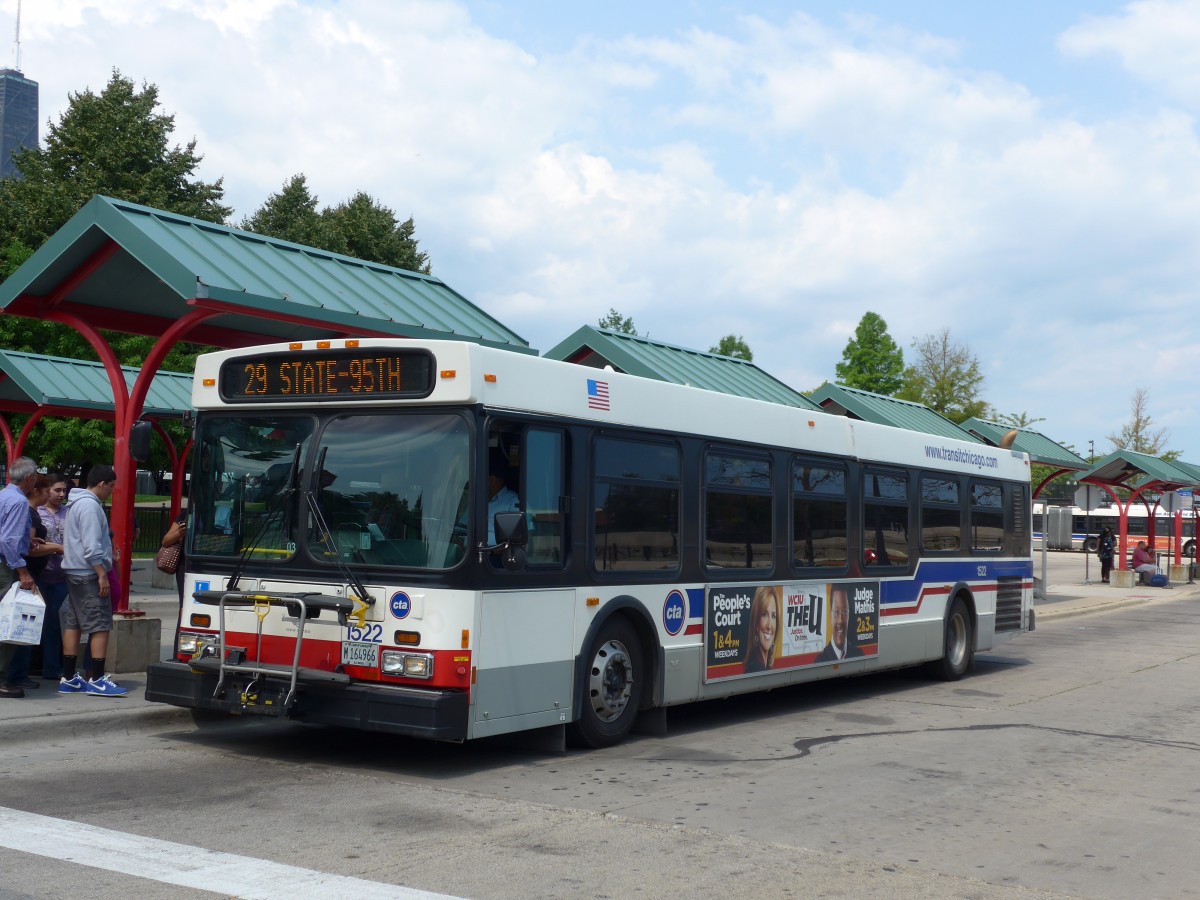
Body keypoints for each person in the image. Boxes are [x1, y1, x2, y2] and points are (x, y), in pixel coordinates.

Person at [58, 464, 127, 697]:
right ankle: (97, 679)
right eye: (111, 486)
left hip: (74, 571)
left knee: (74, 623)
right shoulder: (89, 506)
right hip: (88, 572)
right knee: (100, 624)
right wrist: (101, 574)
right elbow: (91, 545)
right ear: (101, 484)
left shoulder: (75, 503)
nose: (112, 491)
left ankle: (69, 677)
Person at [5, 476, 62, 689]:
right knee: (23, 626)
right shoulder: (27, 510)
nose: (51, 495)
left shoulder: (22, 507)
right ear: (36, 490)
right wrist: (57, 547)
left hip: (27, 574)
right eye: (48, 491)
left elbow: (25, 542)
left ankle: (18, 673)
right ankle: (16, 675)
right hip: (26, 576)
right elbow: (24, 548)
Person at [0, 457, 40, 699]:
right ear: (29, 478)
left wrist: (27, 539)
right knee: (8, 622)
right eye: (35, 477)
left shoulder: (4, 496)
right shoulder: (18, 501)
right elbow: (8, 540)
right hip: (5, 567)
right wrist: (22, 571)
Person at [159, 513, 187, 657]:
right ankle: (178, 652)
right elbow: (165, 541)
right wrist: (179, 533)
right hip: (185, 566)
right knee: (184, 607)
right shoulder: (185, 514)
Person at [743, 585, 781, 673]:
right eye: (764, 615)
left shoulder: (764, 666)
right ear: (756, 622)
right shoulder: (755, 669)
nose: (769, 625)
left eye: (773, 616)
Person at [818, 587, 862, 662]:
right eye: (836, 612)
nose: (840, 621)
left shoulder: (859, 654)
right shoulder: (820, 660)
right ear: (830, 615)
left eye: (844, 612)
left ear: (849, 615)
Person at [486, 448, 519, 544]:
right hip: (466, 551)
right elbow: (461, 530)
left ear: (492, 480)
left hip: (495, 553)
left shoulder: (513, 502)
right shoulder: (476, 501)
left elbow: (515, 541)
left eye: (481, 478)